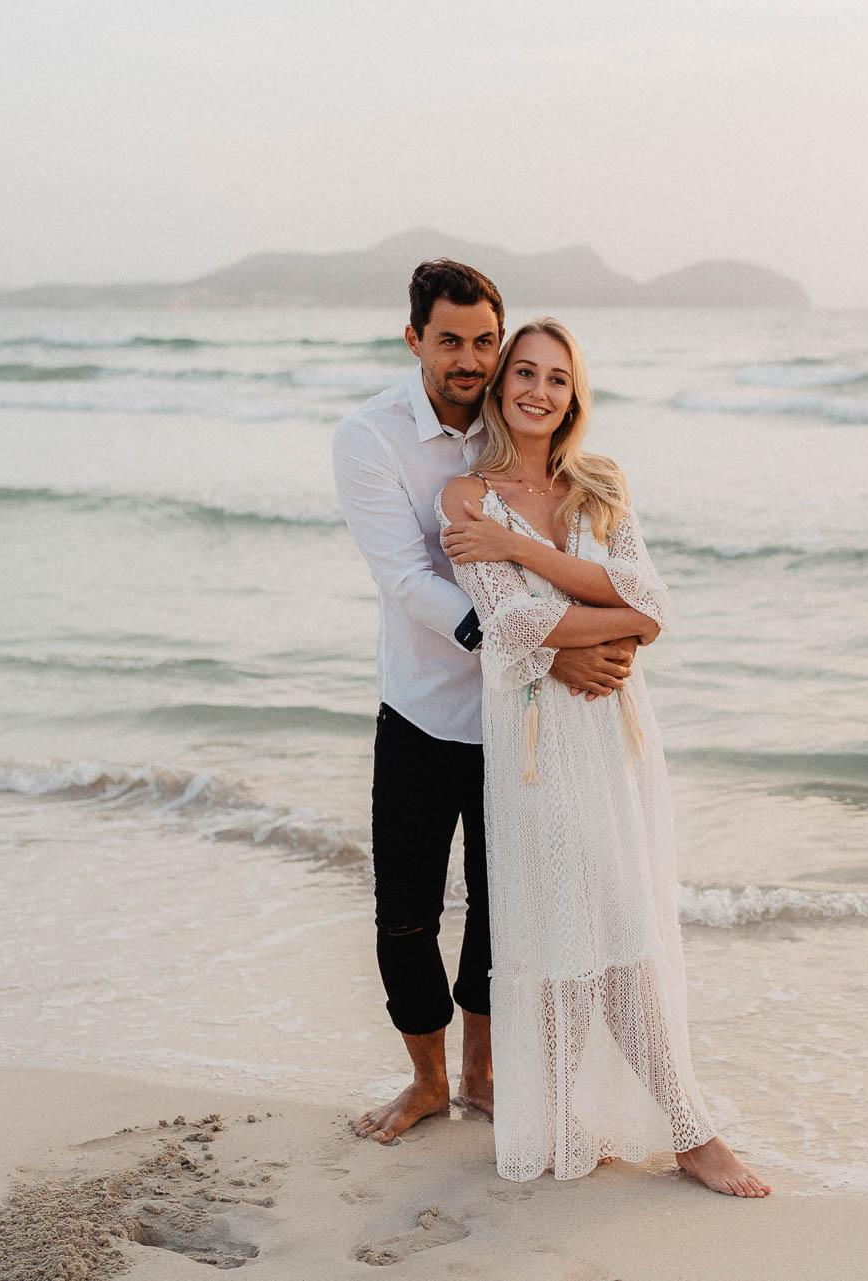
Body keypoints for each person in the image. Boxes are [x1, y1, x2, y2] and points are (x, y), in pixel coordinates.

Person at [436, 317, 770, 1197]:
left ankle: (572, 1117)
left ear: (573, 394)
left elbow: (654, 605)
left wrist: (522, 551)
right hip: (537, 743)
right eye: (524, 372)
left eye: (557, 378)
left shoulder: (602, 484)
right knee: (580, 925)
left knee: (609, 920)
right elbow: (511, 624)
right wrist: (605, 616)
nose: (538, 391)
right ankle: (684, 1129)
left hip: (614, 737)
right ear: (502, 382)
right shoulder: (465, 497)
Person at [332, 262, 638, 1144]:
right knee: (406, 912)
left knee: (503, 908)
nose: (470, 360)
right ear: (414, 339)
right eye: (450, 341)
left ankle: (481, 1072)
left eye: (484, 342)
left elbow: (581, 548)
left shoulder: (518, 419)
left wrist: (600, 635)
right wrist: (549, 647)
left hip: (524, 718)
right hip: (425, 707)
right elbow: (407, 581)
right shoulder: (370, 437)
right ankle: (426, 1080)